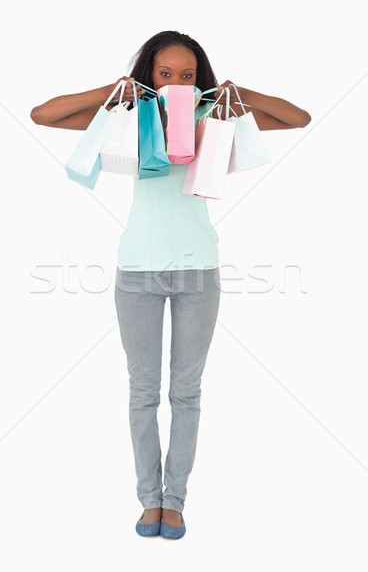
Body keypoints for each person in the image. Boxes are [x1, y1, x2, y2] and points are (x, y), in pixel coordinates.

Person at [30, 30, 311, 539]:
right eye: (166, 74)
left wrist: (239, 95)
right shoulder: (128, 119)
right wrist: (113, 90)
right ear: (149, 77)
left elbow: (299, 118)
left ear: (198, 77)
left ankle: (174, 502)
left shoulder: (214, 116)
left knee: (186, 392)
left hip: (198, 271)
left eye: (187, 75)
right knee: (143, 392)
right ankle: (148, 501)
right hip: (136, 272)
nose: (177, 83)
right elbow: (42, 115)